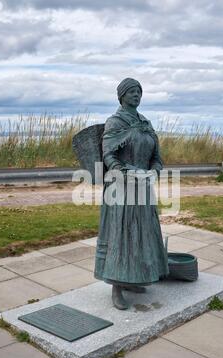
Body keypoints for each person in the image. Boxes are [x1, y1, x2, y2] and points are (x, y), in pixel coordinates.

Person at [94, 78, 168, 310]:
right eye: (132, 91)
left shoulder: (146, 123)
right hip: (121, 189)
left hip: (143, 188)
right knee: (122, 236)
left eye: (139, 91)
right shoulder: (115, 122)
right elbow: (108, 156)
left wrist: (154, 170)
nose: (137, 95)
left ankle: (133, 278)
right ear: (122, 95)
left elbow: (156, 157)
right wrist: (125, 171)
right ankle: (116, 286)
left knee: (142, 234)